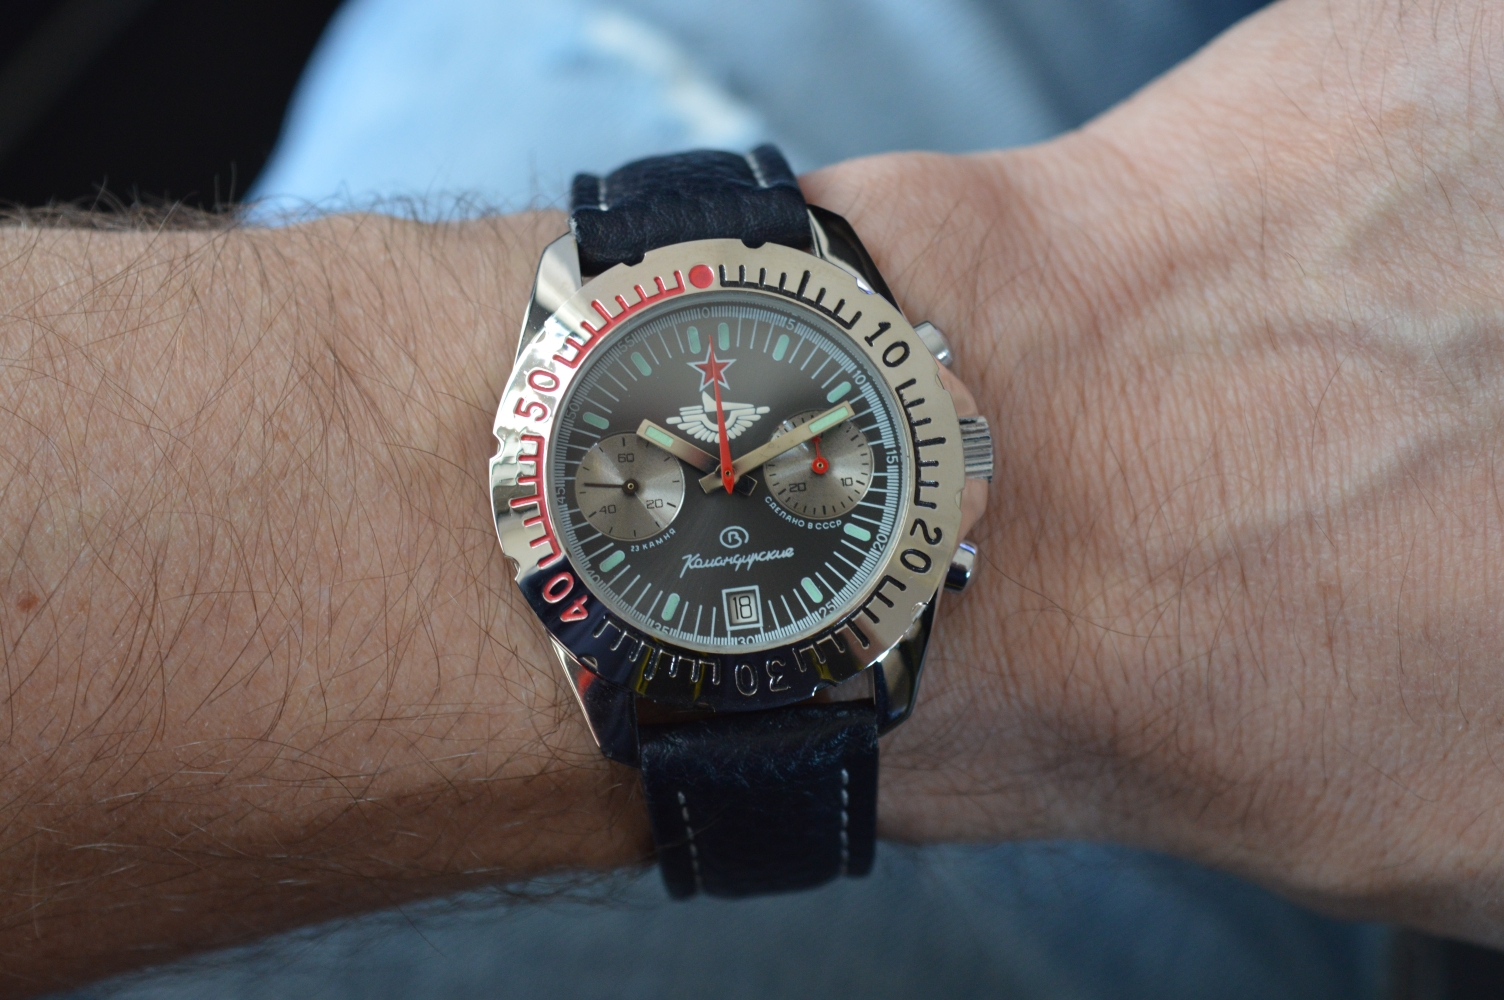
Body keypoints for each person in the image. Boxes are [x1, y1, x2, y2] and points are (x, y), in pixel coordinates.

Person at [3, 0, 1500, 995]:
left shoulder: (707, 454)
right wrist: (1059, 334)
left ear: (951, 461)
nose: (725, 483)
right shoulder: (569, 495)